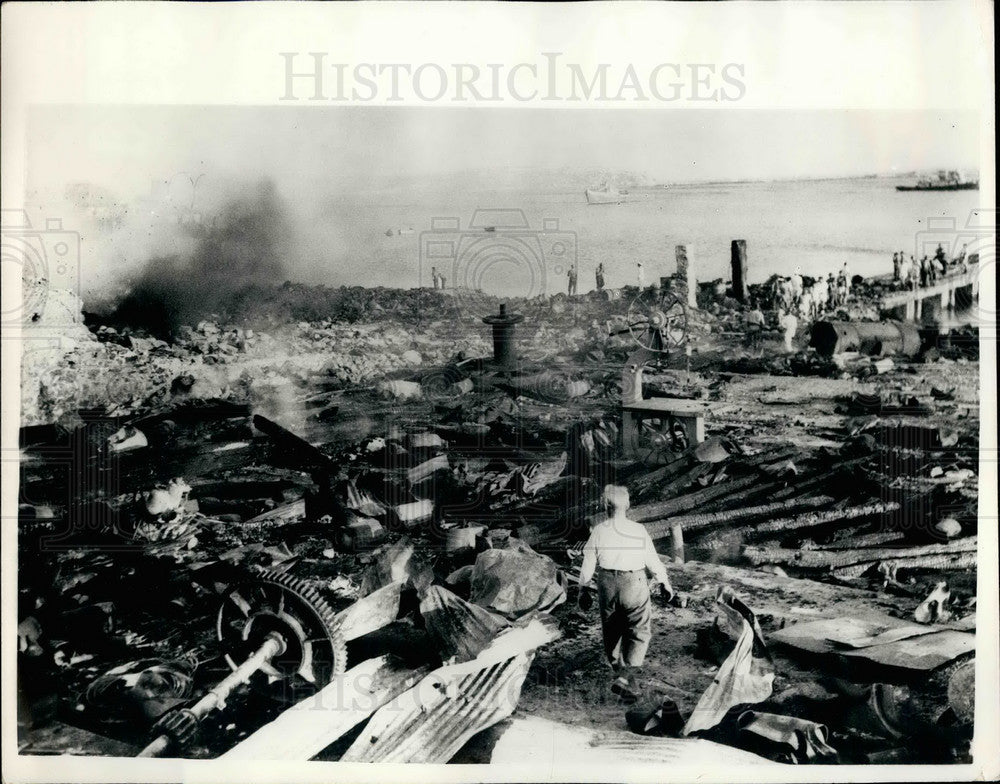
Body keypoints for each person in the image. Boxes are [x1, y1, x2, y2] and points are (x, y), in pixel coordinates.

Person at [578, 485, 673, 675]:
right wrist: (664, 582)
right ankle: (629, 672)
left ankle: (616, 666)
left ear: (605, 505)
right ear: (627, 505)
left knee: (611, 628)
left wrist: (584, 589)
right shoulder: (638, 529)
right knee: (639, 629)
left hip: (607, 583)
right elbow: (652, 560)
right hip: (634, 582)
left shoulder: (598, 530)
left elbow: (588, 563)